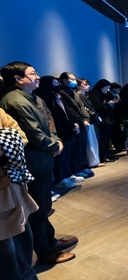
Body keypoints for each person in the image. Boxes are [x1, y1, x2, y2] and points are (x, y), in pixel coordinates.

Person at [0, 62, 77, 264]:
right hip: (34, 161)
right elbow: (32, 134)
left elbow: (47, 123)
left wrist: (55, 141)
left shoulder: (30, 97)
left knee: (43, 205)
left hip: (42, 158)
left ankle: (50, 241)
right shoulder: (15, 101)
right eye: (33, 73)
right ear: (18, 79)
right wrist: (54, 145)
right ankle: (46, 251)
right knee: (38, 208)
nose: (37, 77)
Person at [0, 107, 48, 280]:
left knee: (22, 237)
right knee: (4, 252)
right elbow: (12, 136)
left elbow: (19, 134)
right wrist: (7, 140)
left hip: (13, 186)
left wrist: (7, 139)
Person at [34, 76, 79, 189]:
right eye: (54, 84)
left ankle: (67, 174)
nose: (57, 86)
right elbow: (55, 116)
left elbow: (65, 112)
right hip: (58, 130)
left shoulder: (56, 96)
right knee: (60, 157)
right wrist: (71, 125)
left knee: (66, 155)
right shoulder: (45, 98)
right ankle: (60, 179)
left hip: (66, 129)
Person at [58, 72, 93, 179]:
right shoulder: (61, 93)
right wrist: (80, 122)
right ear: (64, 80)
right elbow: (69, 111)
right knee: (74, 150)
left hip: (81, 124)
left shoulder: (73, 92)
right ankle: (75, 170)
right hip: (73, 125)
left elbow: (82, 107)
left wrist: (86, 119)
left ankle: (80, 167)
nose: (74, 81)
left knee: (81, 148)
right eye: (72, 79)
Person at [88, 79, 118, 163]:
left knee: (107, 138)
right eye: (106, 88)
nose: (107, 90)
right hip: (103, 119)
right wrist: (109, 104)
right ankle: (103, 156)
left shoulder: (104, 94)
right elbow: (98, 106)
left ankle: (107, 154)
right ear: (101, 87)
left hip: (108, 118)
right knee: (103, 138)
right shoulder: (94, 94)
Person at [76, 78, 102, 168]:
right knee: (90, 141)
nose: (88, 86)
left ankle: (93, 161)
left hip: (89, 120)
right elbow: (84, 109)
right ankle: (92, 161)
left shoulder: (84, 95)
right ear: (78, 86)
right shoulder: (79, 95)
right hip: (87, 121)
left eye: (88, 85)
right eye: (85, 85)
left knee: (92, 141)